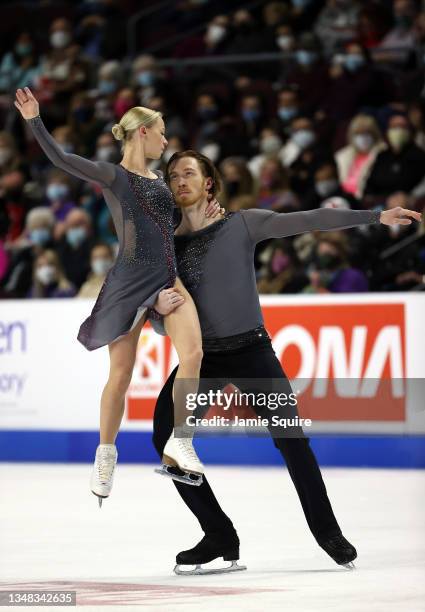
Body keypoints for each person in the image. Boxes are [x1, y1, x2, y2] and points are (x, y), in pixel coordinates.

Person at [151, 150, 421, 574]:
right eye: (173, 176)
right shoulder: (166, 248)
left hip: (253, 353)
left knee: (292, 441)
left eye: (189, 173)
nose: (180, 180)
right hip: (202, 359)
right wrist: (159, 311)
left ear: (208, 183)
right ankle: (218, 532)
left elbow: (308, 219)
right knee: (166, 437)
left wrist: (376, 216)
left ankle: (327, 531)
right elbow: (160, 325)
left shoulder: (240, 224)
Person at [14, 87, 223, 507]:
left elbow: (170, 232)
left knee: (195, 354)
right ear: (142, 132)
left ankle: (182, 440)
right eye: (161, 133)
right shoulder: (115, 176)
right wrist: (35, 120)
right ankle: (105, 453)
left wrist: (201, 219)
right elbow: (62, 160)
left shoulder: (161, 183)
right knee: (121, 375)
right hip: (130, 284)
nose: (166, 142)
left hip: (168, 278)